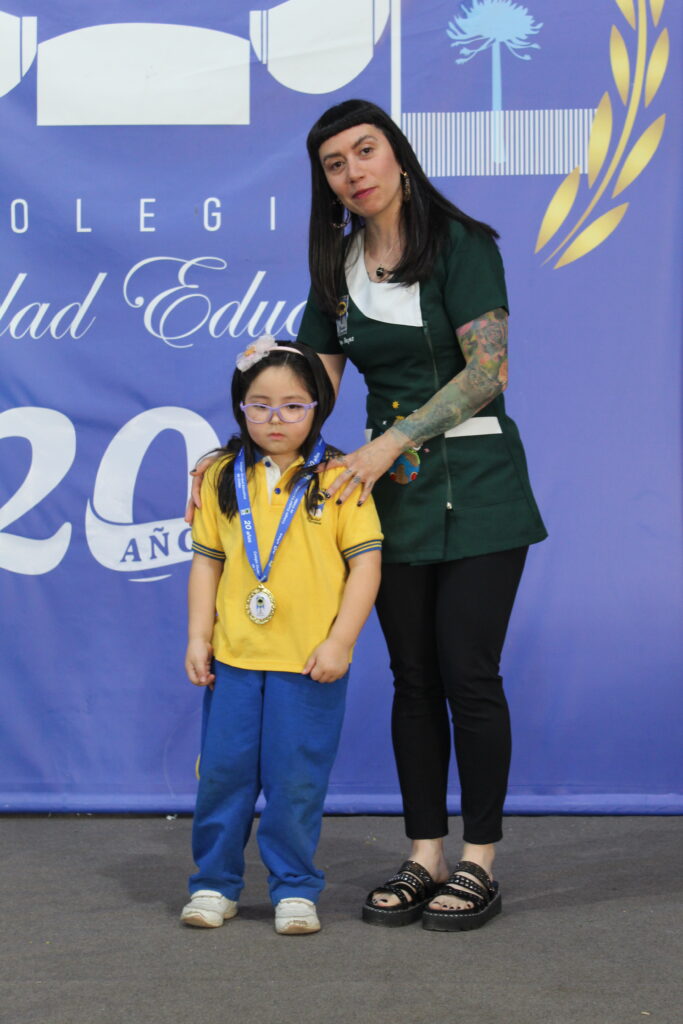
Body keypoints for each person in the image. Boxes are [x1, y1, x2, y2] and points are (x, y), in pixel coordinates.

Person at [295, 99, 547, 931]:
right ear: (326, 183)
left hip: (479, 487)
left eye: (364, 151)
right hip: (393, 497)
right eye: (335, 164)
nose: (353, 172)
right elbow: (309, 390)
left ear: (397, 156)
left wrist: (387, 442)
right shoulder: (334, 270)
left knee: (468, 675)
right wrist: (237, 446)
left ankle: (479, 861)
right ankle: (424, 853)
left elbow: (487, 374)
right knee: (412, 680)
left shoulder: (461, 244)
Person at [181, 336, 382, 935]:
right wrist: (198, 636)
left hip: (309, 663)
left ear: (318, 407)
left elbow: (366, 566)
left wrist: (341, 641)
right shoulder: (219, 475)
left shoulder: (342, 476)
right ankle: (214, 884)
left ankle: (295, 887)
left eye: (294, 406)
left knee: (296, 780)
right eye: (260, 405)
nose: (276, 418)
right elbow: (207, 563)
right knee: (223, 776)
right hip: (234, 659)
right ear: (240, 406)